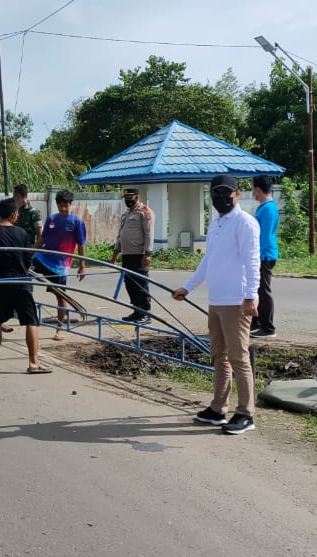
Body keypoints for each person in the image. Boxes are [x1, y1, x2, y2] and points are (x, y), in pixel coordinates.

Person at [171, 174, 261, 435]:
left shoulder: (245, 223)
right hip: (217, 300)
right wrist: (188, 286)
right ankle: (218, 408)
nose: (221, 198)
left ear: (237, 194)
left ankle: (246, 413)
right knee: (219, 356)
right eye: (216, 194)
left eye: (226, 193)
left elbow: (253, 262)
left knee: (238, 357)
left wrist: (250, 296)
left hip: (237, 302)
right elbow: (207, 261)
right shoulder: (216, 223)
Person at [0, 197, 50, 373]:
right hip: (21, 282)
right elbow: (28, 259)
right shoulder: (22, 233)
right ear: (14, 214)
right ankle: (33, 363)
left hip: (1, 282)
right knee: (30, 321)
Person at [34, 188, 87, 339]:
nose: (63, 209)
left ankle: (60, 328)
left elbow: (81, 245)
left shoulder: (77, 222)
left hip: (60, 267)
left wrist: (82, 266)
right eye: (60, 206)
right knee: (24, 271)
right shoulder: (51, 219)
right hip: (43, 259)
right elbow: (42, 239)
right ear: (57, 205)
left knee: (60, 296)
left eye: (66, 206)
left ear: (71, 204)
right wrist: (30, 252)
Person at [110, 187, 153, 322]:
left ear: (137, 197)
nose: (128, 201)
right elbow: (121, 235)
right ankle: (136, 310)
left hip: (139, 254)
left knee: (141, 284)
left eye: (130, 198)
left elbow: (149, 233)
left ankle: (145, 313)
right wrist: (115, 253)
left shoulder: (144, 212)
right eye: (126, 198)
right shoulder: (126, 213)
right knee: (130, 284)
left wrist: (147, 253)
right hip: (127, 254)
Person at [250, 175, 280, 339]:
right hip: (262, 254)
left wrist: (256, 256)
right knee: (256, 288)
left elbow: (265, 236)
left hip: (265, 255)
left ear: (258, 189)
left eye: (253, 188)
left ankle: (268, 328)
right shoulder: (265, 207)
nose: (252, 192)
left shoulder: (268, 209)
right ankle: (256, 322)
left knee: (263, 291)